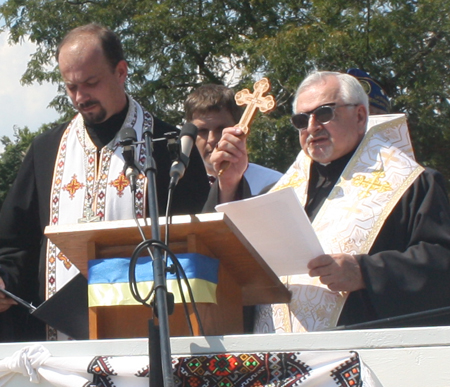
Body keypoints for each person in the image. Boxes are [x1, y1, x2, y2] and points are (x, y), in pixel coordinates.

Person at [0, 23, 209, 342]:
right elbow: (16, 242)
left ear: (121, 72)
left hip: (148, 336)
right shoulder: (46, 151)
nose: (80, 97)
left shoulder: (171, 147)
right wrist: (5, 281)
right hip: (60, 345)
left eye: (91, 83)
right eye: (71, 87)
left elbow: (199, 243)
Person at [246, 71, 450, 332]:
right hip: (279, 358)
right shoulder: (278, 193)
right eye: (301, 119)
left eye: (324, 113)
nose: (311, 127)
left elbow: (441, 264)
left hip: (365, 352)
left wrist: (365, 271)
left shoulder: (411, 184)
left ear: (360, 116)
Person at [184, 84, 282, 207]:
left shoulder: (275, 185)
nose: (212, 139)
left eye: (221, 129)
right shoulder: (178, 187)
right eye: (202, 131)